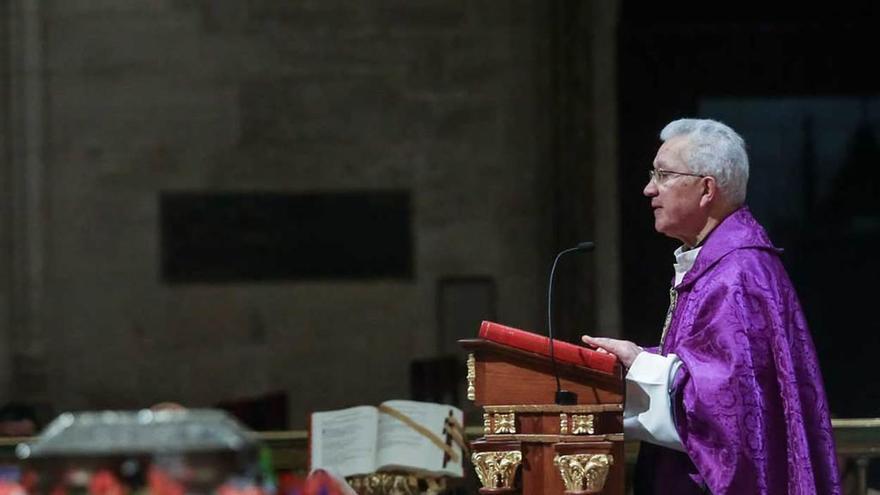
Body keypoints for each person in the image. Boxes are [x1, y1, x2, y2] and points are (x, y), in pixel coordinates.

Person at [582, 118, 840, 494]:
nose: (648, 189)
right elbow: (710, 368)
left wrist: (639, 364)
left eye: (664, 174)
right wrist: (629, 364)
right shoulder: (715, 264)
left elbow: (731, 410)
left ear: (706, 189)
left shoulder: (738, 274)